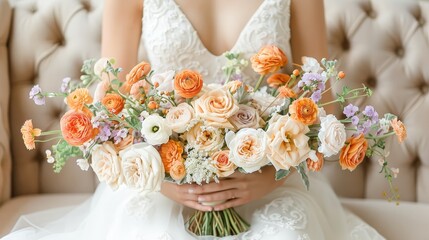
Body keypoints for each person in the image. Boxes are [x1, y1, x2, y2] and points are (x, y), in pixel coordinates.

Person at [2, 0, 385, 239]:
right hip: (161, 183)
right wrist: (166, 183)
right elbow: (110, 106)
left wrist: (269, 177)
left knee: (284, 233)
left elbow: (321, 102)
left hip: (271, 180)